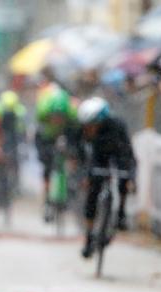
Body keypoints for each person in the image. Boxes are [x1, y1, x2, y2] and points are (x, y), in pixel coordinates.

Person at [76, 97, 136, 258]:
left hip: (119, 154)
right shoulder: (84, 129)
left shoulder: (117, 126)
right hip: (98, 157)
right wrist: (84, 174)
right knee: (92, 192)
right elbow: (81, 153)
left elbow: (128, 153)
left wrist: (130, 177)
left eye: (92, 125)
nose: (89, 129)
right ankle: (89, 237)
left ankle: (121, 213)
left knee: (124, 180)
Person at [34, 85, 79, 221]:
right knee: (47, 167)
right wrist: (43, 154)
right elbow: (39, 143)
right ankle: (47, 200)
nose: (57, 120)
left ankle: (69, 194)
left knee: (72, 162)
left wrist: (73, 154)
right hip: (47, 141)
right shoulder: (43, 122)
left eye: (61, 117)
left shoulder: (71, 121)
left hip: (66, 138)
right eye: (55, 117)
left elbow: (76, 141)